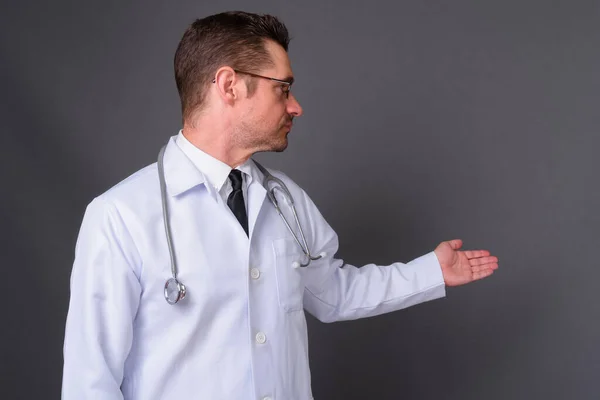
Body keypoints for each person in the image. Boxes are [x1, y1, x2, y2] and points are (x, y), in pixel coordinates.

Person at [62, 11, 499, 400]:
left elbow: (333, 294)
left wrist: (431, 272)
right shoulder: (120, 216)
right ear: (229, 85)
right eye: (283, 89)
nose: (296, 106)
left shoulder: (285, 200)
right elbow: (90, 381)